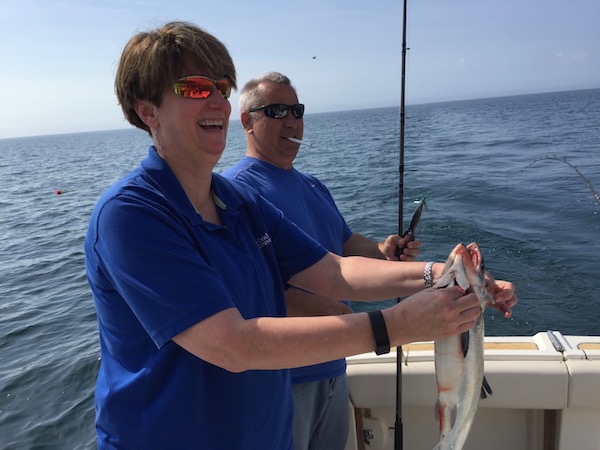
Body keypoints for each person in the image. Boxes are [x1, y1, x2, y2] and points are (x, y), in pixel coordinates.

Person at [84, 21, 517, 449]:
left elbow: (335, 271)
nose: (217, 101)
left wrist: (447, 274)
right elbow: (232, 345)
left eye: (221, 86)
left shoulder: (236, 201)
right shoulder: (131, 215)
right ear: (147, 111)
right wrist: (397, 325)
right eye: (196, 88)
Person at [221, 71, 422, 450]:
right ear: (247, 121)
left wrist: (383, 251)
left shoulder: (314, 185)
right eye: (277, 111)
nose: (292, 121)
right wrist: (354, 320)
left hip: (335, 366)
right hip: (283, 379)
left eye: (297, 110)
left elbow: (343, 243)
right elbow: (249, 288)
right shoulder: (237, 191)